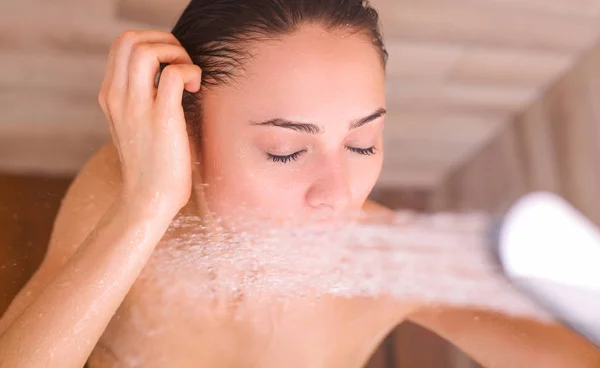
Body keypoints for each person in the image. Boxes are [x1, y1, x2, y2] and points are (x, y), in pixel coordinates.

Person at [0, 0, 598, 366]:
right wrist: (144, 207)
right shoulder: (125, 194)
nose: (338, 196)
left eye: (362, 143)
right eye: (287, 151)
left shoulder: (391, 264)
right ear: (185, 134)